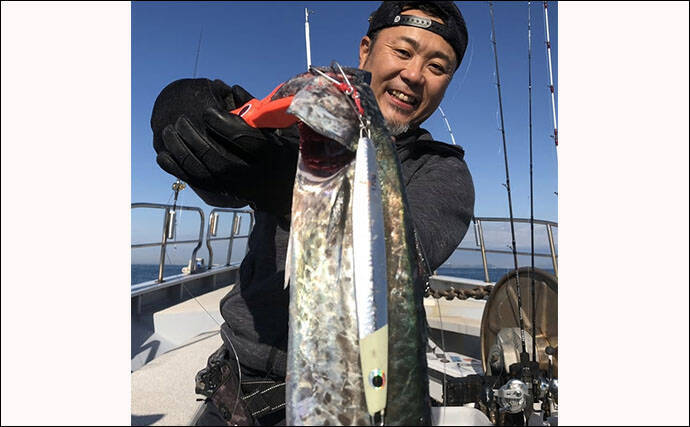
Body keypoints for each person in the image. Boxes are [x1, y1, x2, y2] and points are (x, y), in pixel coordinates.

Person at [151, 2, 475, 425]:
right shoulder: (305, 118)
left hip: (357, 400)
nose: (414, 75)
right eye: (403, 51)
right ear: (366, 50)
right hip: (239, 393)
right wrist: (183, 111)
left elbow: (396, 262)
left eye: (437, 66)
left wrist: (285, 181)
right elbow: (223, 181)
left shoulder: (443, 171)